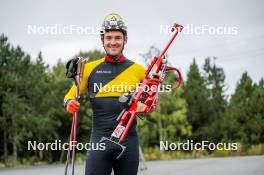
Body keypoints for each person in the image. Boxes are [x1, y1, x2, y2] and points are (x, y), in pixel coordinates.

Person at [64, 13, 155, 175]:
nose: (113, 42)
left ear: (125, 40)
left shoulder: (139, 71)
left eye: (118, 38)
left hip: (129, 143)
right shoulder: (89, 69)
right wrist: (69, 103)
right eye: (109, 37)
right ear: (102, 40)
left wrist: (144, 106)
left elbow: (151, 104)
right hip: (99, 142)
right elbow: (70, 95)